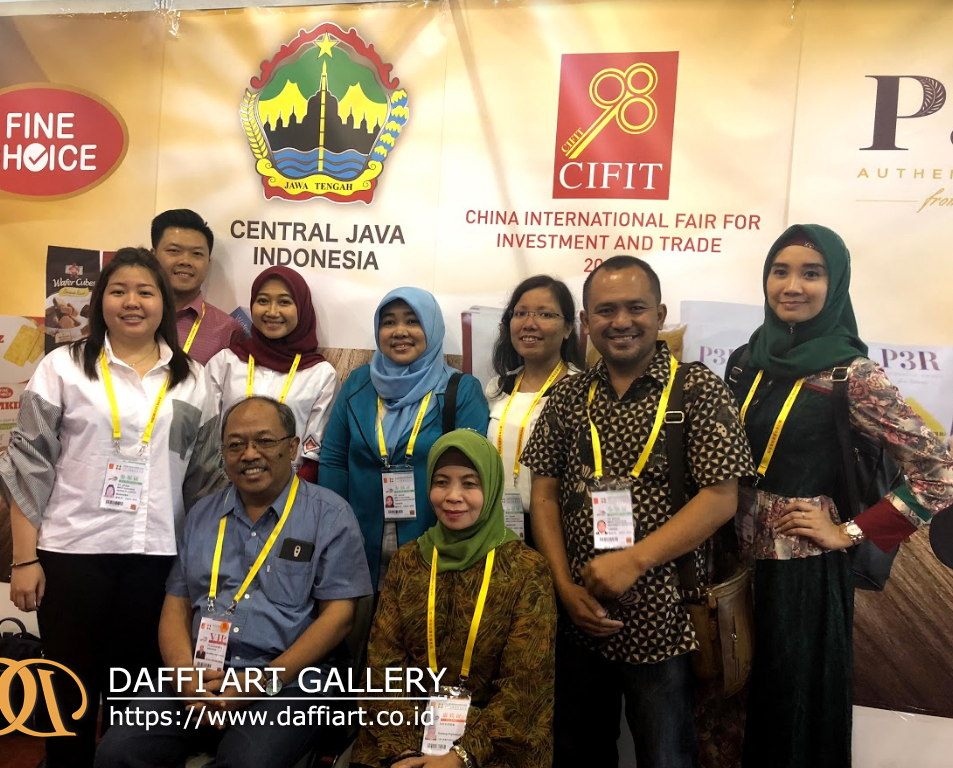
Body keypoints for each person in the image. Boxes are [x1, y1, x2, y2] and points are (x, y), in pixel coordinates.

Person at [725, 224, 953, 768]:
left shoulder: (852, 375)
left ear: (836, 284)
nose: (792, 286)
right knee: (729, 703)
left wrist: (848, 532)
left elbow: (938, 473)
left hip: (800, 573)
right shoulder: (746, 359)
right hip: (730, 564)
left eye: (812, 273)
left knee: (790, 708)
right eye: (780, 271)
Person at [520, 256, 755, 768]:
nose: (621, 321)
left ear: (660, 314)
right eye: (606, 310)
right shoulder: (568, 396)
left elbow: (721, 498)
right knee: (579, 753)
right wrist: (564, 586)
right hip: (580, 616)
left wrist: (634, 560)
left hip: (667, 618)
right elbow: (544, 495)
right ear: (586, 322)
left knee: (665, 755)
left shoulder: (698, 389)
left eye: (636, 308)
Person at [0, 247, 224, 768]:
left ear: (164, 303)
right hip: (72, 553)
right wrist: (24, 559)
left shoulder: (194, 379)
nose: (132, 302)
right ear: (101, 301)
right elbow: (29, 464)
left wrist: (202, 571)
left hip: (158, 559)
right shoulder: (63, 367)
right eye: (119, 291)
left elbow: (205, 480)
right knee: (68, 694)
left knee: (135, 701)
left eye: (145, 291)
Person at [95, 396, 373, 768]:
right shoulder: (202, 514)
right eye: (236, 444)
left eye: (265, 441)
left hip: (287, 681)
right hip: (201, 672)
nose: (249, 454)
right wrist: (183, 677)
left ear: (292, 447)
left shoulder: (331, 515)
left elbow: (339, 618)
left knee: (245, 763)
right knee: (116, 752)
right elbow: (176, 606)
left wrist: (260, 682)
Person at [351, 429, 556, 768]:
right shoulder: (409, 561)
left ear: (491, 488)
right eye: (441, 482)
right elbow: (383, 668)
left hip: (495, 742)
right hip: (404, 734)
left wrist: (461, 756)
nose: (452, 496)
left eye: (470, 484)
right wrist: (406, 752)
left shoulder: (526, 569)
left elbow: (526, 688)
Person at [320, 287, 489, 589]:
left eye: (412, 321)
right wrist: (334, 529)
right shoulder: (358, 383)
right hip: (358, 543)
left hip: (433, 543)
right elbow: (334, 461)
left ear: (432, 327)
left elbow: (472, 472)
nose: (400, 331)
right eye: (389, 322)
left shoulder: (461, 390)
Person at [205, 266, 339, 483]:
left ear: (302, 308)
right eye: (263, 301)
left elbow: (314, 455)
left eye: (284, 302)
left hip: (290, 490)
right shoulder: (225, 362)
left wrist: (287, 494)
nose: (272, 311)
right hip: (224, 485)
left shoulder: (321, 375)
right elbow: (205, 438)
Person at [486, 275, 582, 544]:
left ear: (567, 328)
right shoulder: (497, 388)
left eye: (545, 314)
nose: (530, 323)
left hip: (559, 528)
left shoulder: (582, 391)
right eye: (520, 313)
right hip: (497, 524)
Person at [152, 208, 242, 364]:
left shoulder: (228, 331)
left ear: (208, 263)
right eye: (174, 251)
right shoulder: (130, 315)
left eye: (197, 254)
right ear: (152, 256)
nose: (185, 261)